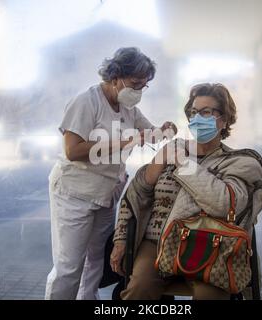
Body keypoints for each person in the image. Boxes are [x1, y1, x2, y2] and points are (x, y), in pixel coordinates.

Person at [110, 83, 262, 300]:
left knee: (210, 296)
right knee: (139, 288)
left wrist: (184, 163)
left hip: (211, 246)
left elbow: (223, 203)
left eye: (206, 112)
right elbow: (136, 196)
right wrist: (120, 240)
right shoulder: (173, 150)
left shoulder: (240, 162)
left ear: (223, 120)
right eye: (194, 112)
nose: (197, 118)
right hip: (157, 242)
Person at [45, 47, 177, 300]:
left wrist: (165, 129)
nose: (138, 91)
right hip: (74, 193)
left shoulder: (129, 109)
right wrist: (125, 140)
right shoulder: (86, 101)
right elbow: (73, 150)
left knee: (95, 261)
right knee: (69, 266)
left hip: (106, 194)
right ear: (115, 76)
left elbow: (151, 134)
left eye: (144, 86)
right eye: (135, 83)